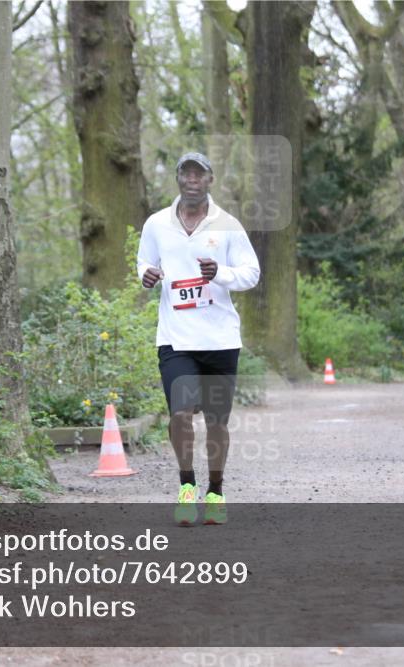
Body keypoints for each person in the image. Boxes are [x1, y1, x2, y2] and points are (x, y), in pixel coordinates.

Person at [137, 152, 260, 526]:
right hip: (175, 338)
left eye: (199, 174)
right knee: (180, 413)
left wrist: (220, 272)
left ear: (210, 180)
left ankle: (216, 492)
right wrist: (146, 275)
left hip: (220, 339)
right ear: (178, 179)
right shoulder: (157, 224)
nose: (192, 179)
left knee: (217, 422)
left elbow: (251, 273)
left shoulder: (228, 225)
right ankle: (187, 486)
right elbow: (144, 262)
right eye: (186, 173)